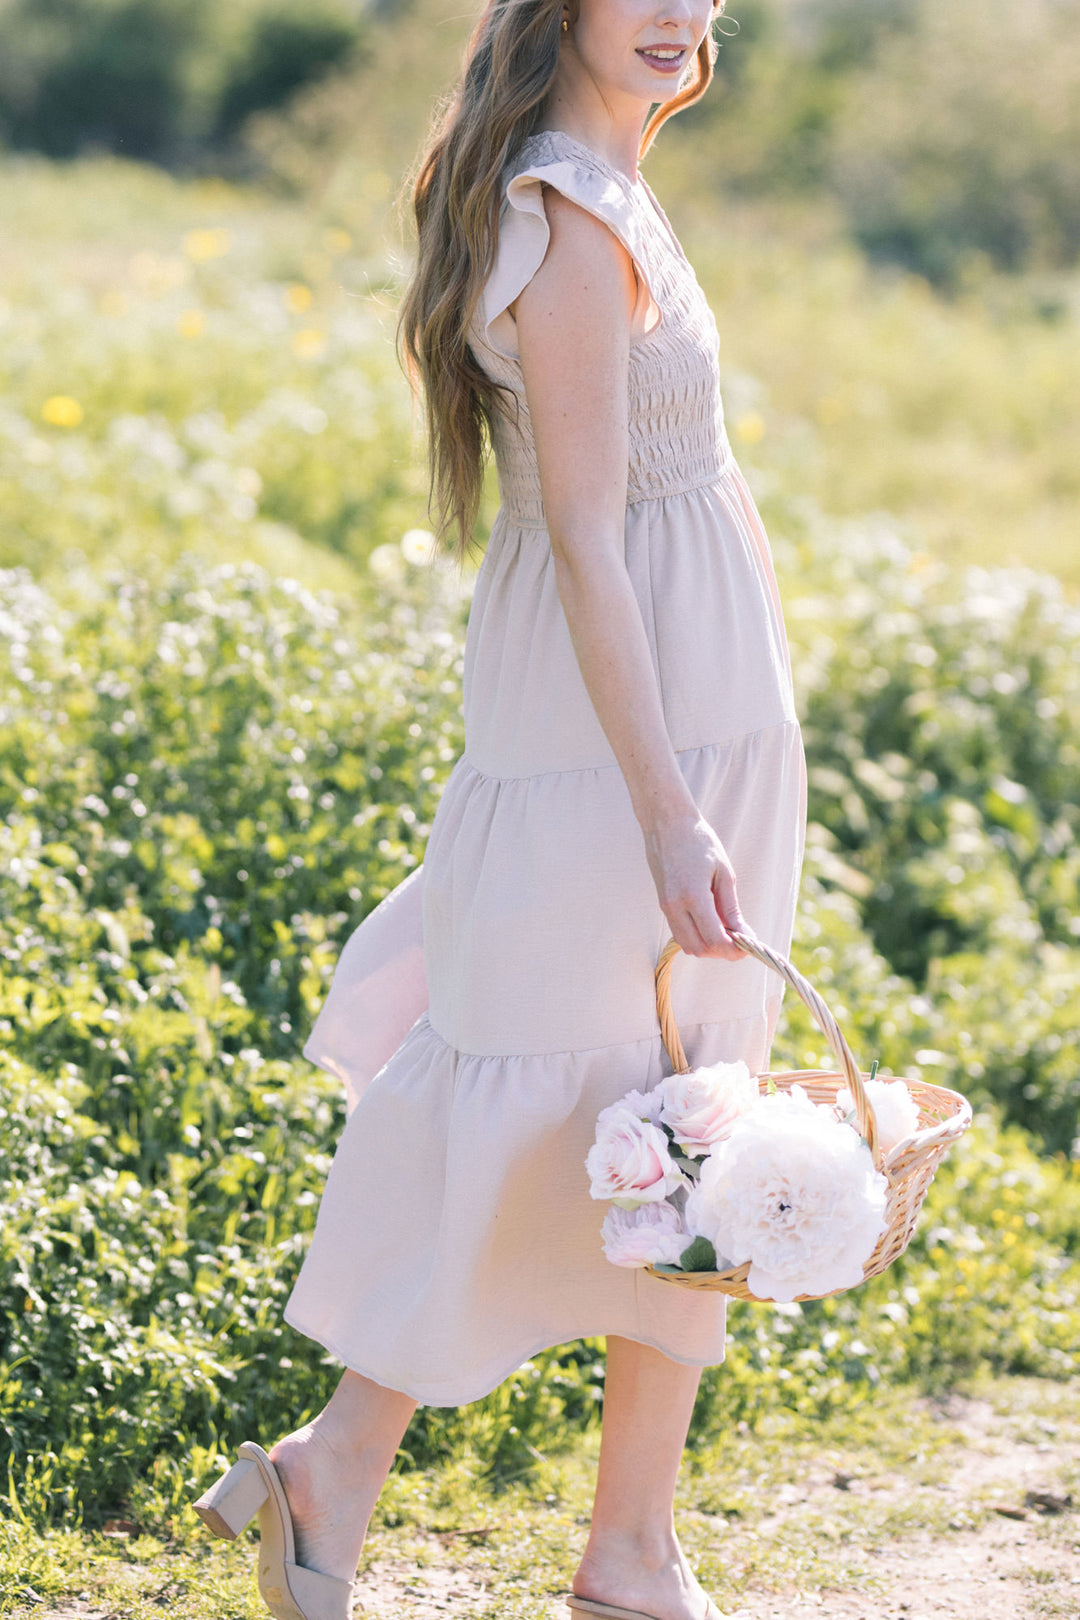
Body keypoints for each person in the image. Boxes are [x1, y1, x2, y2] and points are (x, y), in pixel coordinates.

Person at [193, 0, 807, 1613]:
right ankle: (342, 1465)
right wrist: (671, 813)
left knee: (688, 1119)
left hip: (693, 723)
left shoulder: (606, 178)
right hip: (632, 744)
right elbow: (594, 540)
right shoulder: (570, 210)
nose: (680, 13)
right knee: (538, 1099)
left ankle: (623, 1543)